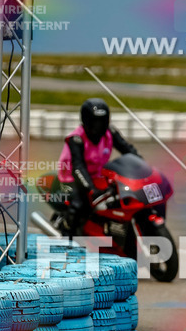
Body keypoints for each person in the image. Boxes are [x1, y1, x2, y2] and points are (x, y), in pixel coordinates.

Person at [55, 98, 140, 235]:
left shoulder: (110, 133)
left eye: (101, 122)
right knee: (80, 204)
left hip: (97, 176)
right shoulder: (76, 139)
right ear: (86, 120)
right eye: (94, 122)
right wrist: (91, 189)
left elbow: (128, 150)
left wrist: (142, 166)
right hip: (72, 178)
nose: (98, 126)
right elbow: (78, 167)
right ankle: (67, 231)